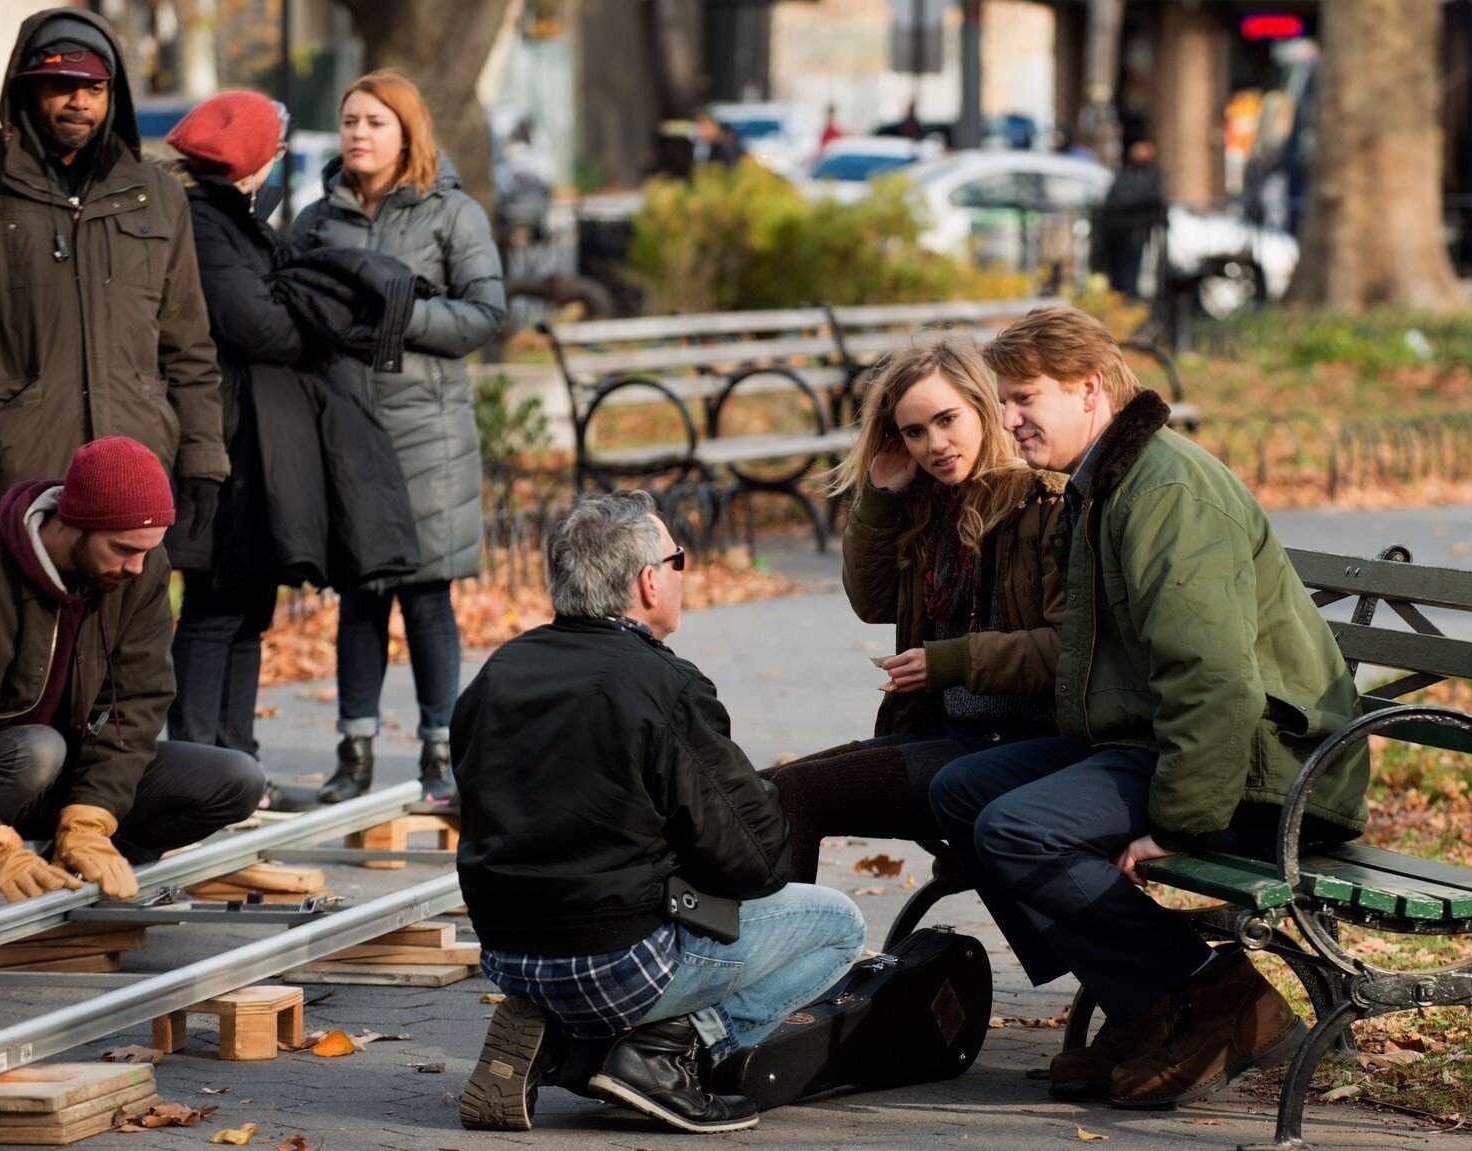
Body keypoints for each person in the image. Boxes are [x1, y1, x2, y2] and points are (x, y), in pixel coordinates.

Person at [929, 308, 1371, 1110]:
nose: (1009, 419)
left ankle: (1214, 995)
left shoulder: (1164, 493)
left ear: (1089, 389)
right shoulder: (1105, 482)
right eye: (1004, 400)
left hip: (1267, 773)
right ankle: (1148, 1005)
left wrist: (1178, 823)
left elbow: (1215, 681)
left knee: (1018, 827)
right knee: (960, 790)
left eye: (1025, 397)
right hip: (1165, 742)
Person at [454, 491, 866, 1134]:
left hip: (508, 953)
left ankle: (561, 1039)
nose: (682, 572)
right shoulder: (662, 685)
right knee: (839, 923)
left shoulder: (498, 671)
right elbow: (755, 862)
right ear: (648, 581)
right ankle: (657, 1054)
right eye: (678, 560)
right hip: (615, 959)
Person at [0, 438, 265, 932]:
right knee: (38, 750)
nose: (137, 566)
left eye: (148, 550)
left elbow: (136, 704)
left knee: (236, 779)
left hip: (66, 777)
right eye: (122, 549)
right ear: (72, 521)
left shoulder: (139, 570)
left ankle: (70, 877)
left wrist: (91, 819)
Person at [0, 7, 225, 535]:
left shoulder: (159, 196)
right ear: (26, 88)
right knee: (9, 618)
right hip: (6, 477)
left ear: (112, 95)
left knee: (128, 618)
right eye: (62, 85)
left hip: (135, 470)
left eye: (94, 88)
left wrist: (203, 457)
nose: (80, 101)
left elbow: (188, 343)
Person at [764, 339, 1066, 882]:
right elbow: (872, 601)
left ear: (985, 407)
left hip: (1024, 744)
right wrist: (880, 498)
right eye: (915, 431)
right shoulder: (932, 506)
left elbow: (1069, 649)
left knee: (794, 794)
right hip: (948, 736)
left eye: (947, 420)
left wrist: (953, 661)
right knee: (759, 792)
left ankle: (791, 957)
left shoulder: (1042, 503)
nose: (935, 444)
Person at [290, 70, 504, 806]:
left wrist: (401, 316)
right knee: (360, 593)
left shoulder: (452, 214)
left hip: (427, 433)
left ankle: (440, 757)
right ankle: (353, 756)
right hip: (345, 427)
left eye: (374, 122)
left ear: (406, 130)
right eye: (349, 120)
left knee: (424, 597)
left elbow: (483, 315)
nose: (357, 133)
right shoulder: (318, 217)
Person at [157, 91, 302, 808]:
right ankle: (199, 762)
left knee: (249, 603)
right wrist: (307, 326)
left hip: (251, 442)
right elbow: (257, 324)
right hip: (219, 442)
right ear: (254, 156)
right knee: (216, 605)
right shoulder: (206, 225)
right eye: (273, 147)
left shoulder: (235, 219)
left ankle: (237, 761)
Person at [1100, 133, 1166, 299]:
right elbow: (1116, 200)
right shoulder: (1124, 173)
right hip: (1120, 231)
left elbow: (1152, 197)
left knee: (1140, 273)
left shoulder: (1153, 174)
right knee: (1120, 273)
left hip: (1141, 231)